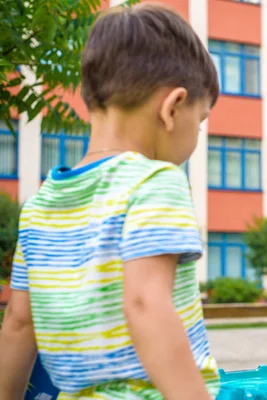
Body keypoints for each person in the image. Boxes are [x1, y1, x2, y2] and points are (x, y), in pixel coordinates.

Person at [0, 3, 220, 399]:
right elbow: (145, 304)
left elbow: (18, 325)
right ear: (172, 108)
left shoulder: (40, 205)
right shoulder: (156, 182)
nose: (198, 134)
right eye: (200, 120)